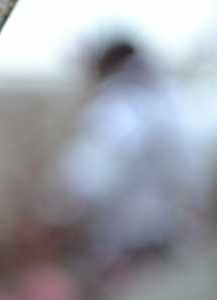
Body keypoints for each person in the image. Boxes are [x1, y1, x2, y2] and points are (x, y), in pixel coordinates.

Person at [53, 38, 210, 279]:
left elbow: (90, 181)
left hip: (129, 249)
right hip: (179, 243)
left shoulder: (117, 108)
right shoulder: (176, 101)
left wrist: (59, 211)